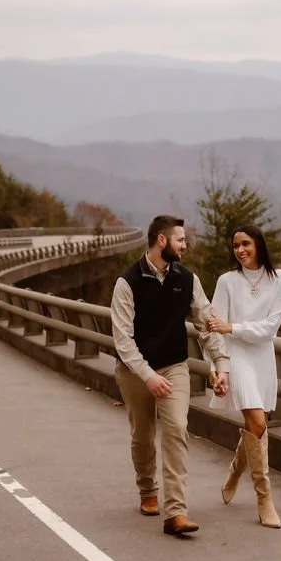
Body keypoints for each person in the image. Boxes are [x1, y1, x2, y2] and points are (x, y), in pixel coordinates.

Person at [111, 214, 230, 536]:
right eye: (180, 240)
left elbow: (207, 323)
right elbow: (122, 340)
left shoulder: (187, 279)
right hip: (135, 370)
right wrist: (147, 375)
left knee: (176, 428)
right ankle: (148, 489)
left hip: (175, 366)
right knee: (143, 433)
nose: (185, 245)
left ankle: (176, 511)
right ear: (161, 241)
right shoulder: (127, 282)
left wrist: (221, 365)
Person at [206, 224, 281, 529]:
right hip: (235, 357)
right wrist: (217, 370)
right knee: (258, 422)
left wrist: (234, 327)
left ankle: (235, 472)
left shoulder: (280, 279)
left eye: (245, 244)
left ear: (258, 245)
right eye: (235, 246)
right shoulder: (227, 281)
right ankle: (264, 499)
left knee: (254, 426)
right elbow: (212, 330)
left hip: (262, 359)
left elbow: (270, 328)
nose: (240, 250)